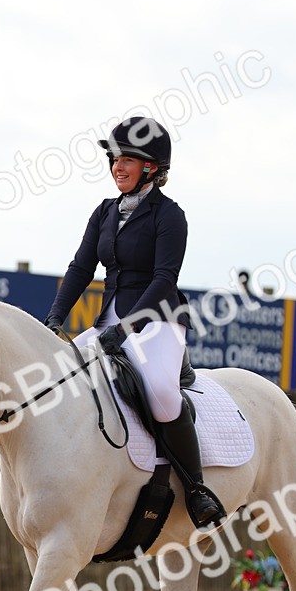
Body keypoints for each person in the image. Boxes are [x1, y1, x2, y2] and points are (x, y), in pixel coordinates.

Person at [45, 115, 225, 529]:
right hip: (108, 320)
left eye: (126, 159)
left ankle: (196, 489)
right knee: (56, 377)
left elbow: (164, 279)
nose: (117, 167)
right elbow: (80, 267)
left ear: (151, 167)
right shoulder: (104, 212)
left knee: (161, 391)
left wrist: (126, 330)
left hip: (158, 320)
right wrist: (54, 318)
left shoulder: (170, 216)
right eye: (114, 159)